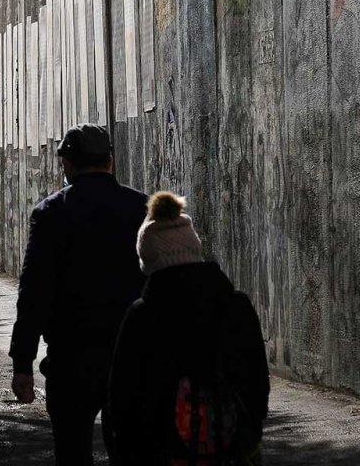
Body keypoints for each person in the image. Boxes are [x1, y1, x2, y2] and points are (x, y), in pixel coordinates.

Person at [9, 122, 148, 465]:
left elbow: (34, 292)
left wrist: (22, 363)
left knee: (72, 452)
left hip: (72, 360)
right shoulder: (142, 209)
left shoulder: (51, 214)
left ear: (67, 165)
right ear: (110, 161)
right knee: (133, 453)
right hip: (131, 358)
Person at [107, 191, 269, 465]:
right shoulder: (236, 306)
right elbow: (257, 380)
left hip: (163, 454)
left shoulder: (142, 316)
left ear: (149, 260)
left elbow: (122, 398)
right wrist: (249, 432)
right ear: (194, 249)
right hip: (232, 449)